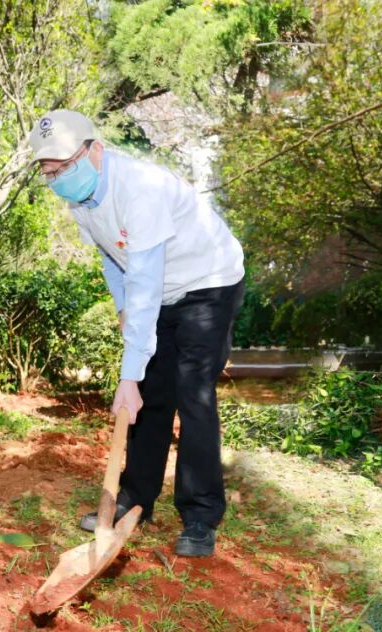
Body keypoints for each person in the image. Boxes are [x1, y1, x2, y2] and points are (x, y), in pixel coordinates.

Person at [28, 109, 245, 557]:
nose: (57, 179)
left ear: (95, 151)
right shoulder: (81, 200)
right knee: (152, 396)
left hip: (208, 282)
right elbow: (114, 259)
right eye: (48, 172)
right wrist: (123, 307)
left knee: (193, 393)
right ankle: (136, 499)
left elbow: (146, 279)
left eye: (63, 167)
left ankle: (201, 515)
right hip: (158, 289)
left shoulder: (139, 189)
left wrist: (128, 374)